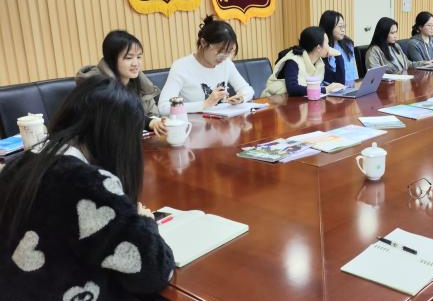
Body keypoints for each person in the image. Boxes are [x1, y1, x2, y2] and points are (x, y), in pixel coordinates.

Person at [0, 76, 175, 301]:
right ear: (119, 138)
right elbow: (154, 272)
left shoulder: (18, 165)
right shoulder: (89, 183)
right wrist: (146, 223)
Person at [76, 30, 167, 135]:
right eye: (129, 58)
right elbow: (118, 118)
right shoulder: (97, 85)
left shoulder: (139, 81)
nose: (136, 63)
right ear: (111, 59)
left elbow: (153, 113)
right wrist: (149, 122)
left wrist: (157, 123)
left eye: (138, 57)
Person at [157, 16, 254, 115]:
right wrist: (204, 104)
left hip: (223, 122)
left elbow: (247, 90)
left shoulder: (226, 63)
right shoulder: (181, 67)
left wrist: (241, 98)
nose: (224, 57)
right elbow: (163, 107)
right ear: (203, 43)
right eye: (220, 51)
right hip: (194, 123)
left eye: (228, 51)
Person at [262, 26, 344, 97]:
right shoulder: (293, 60)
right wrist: (325, 90)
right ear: (318, 48)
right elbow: (292, 89)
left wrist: (339, 56)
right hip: (274, 102)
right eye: (327, 43)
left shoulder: (319, 63)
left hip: (296, 103)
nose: (329, 47)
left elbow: (339, 84)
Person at [365, 17, 430, 74]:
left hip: (403, 81)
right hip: (390, 84)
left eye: (396, 32)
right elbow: (375, 76)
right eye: (392, 33)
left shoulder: (396, 46)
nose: (395, 36)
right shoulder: (373, 51)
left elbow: (408, 64)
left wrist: (425, 63)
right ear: (383, 33)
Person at [319, 10, 358, 88]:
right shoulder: (322, 48)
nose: (343, 30)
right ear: (329, 27)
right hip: (333, 89)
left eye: (344, 26)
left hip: (351, 88)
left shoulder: (348, 43)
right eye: (340, 27)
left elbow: (353, 70)